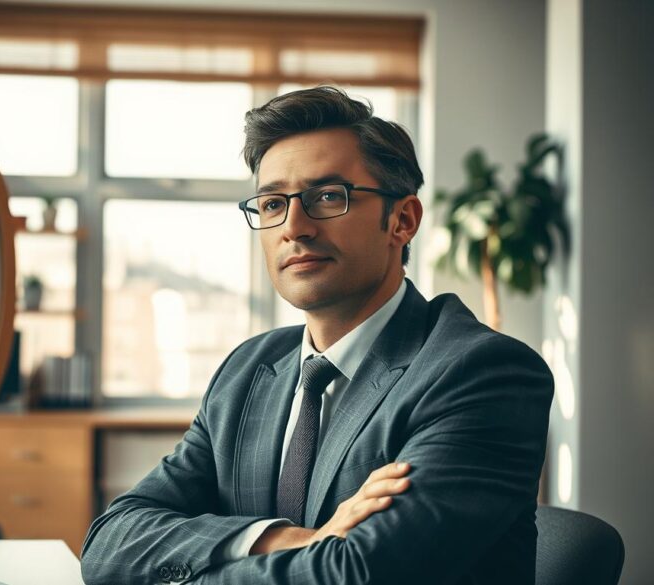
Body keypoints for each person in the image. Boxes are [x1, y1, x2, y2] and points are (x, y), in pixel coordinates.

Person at [80, 87, 553, 584]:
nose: (294, 227)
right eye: (271, 203)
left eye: (327, 196)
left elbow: (355, 575)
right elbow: (110, 546)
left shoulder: (483, 373)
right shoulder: (248, 370)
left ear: (402, 220)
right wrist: (284, 538)